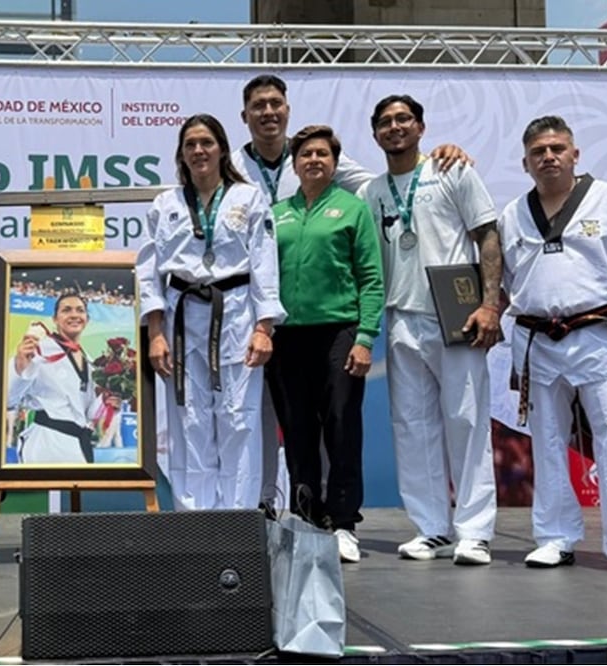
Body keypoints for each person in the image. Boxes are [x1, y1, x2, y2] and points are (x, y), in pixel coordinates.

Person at [232, 74, 470, 516]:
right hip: (249, 313)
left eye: (275, 103)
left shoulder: (328, 170)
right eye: (258, 105)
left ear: (287, 109)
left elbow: (389, 178)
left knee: (333, 421)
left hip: (329, 321)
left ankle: (336, 513)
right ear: (244, 115)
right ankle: (264, 503)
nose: (268, 112)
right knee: (263, 418)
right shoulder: (231, 166)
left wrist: (441, 157)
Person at [500, 115, 607, 576]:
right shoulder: (513, 213)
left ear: (574, 154)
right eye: (538, 152)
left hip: (597, 332)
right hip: (537, 338)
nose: (548, 157)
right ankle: (554, 536)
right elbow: (508, 278)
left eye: (557, 148)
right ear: (526, 162)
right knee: (547, 440)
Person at [357, 94, 502, 566]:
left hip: (454, 313)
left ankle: (475, 531)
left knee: (467, 419)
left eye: (404, 119)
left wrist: (490, 304)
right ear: (376, 133)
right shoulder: (372, 191)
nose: (395, 127)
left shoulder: (452, 171)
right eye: (385, 122)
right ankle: (431, 527)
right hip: (400, 315)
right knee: (411, 426)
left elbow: (487, 236)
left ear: (421, 127)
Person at [137, 113, 285, 511]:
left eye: (206, 142)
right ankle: (194, 516)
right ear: (181, 155)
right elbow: (150, 272)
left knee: (239, 417)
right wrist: (155, 333)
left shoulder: (248, 197)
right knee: (189, 419)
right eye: (190, 145)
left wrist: (263, 328)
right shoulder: (165, 204)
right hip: (181, 316)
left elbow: (265, 264)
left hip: (236, 312)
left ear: (222, 149)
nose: (199, 151)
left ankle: (237, 515)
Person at [266, 125, 383, 563]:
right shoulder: (278, 213)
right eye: (305, 155)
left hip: (339, 333)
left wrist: (365, 336)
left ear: (334, 163)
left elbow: (371, 279)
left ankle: (343, 522)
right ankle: (306, 516)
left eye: (322, 154)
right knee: (297, 430)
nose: (313, 160)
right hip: (287, 337)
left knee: (340, 425)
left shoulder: (353, 210)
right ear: (294, 164)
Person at [7, 293, 118, 464]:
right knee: (48, 491)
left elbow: (87, 412)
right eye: (66, 310)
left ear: (87, 319)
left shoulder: (89, 361)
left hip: (78, 445)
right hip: (47, 442)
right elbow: (8, 399)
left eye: (80, 310)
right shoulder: (38, 349)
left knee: (76, 491)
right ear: (55, 319)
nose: (74, 315)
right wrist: (20, 366)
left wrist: (107, 402)